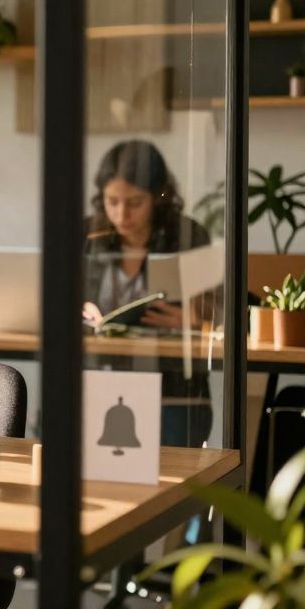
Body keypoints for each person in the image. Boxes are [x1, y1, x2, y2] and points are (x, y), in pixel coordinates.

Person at [81, 139, 214, 449]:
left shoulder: (188, 236)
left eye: (135, 202)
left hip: (173, 386)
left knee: (174, 474)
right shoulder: (88, 235)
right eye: (112, 201)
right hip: (97, 373)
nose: (121, 213)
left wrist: (197, 317)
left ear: (158, 197)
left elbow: (227, 308)